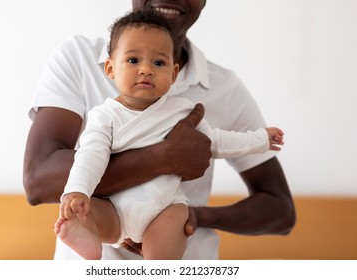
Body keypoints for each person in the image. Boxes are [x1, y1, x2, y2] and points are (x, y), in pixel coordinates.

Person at [23, 0, 296, 260]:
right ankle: (86, 236)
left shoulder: (193, 105)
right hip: (111, 222)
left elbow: (220, 143)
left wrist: (196, 216)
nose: (146, 71)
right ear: (110, 68)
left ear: (173, 73)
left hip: (170, 216)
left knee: (171, 223)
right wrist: (165, 157)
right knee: (88, 212)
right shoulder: (96, 97)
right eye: (132, 61)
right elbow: (50, 175)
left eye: (159, 63)